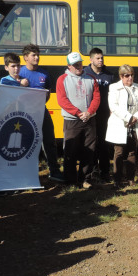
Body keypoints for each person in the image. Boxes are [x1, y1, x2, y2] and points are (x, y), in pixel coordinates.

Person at [19, 44, 63, 182]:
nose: (37, 57)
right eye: (34, 55)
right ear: (26, 57)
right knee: (26, 143)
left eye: (38, 55)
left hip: (41, 110)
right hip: (24, 113)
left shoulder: (44, 74)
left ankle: (54, 171)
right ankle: (26, 174)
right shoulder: (20, 73)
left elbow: (48, 93)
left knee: (50, 140)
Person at [56, 52, 100, 187]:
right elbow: (62, 100)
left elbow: (96, 98)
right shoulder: (62, 79)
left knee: (89, 150)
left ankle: (85, 179)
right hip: (72, 120)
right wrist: (78, 113)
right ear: (69, 66)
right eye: (75, 65)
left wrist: (89, 112)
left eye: (80, 64)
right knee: (70, 151)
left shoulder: (91, 78)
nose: (78, 67)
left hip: (89, 120)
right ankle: (70, 180)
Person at [106, 64, 138, 188]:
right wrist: (128, 117)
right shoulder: (113, 88)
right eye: (126, 76)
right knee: (118, 152)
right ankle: (117, 179)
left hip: (135, 125)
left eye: (131, 75)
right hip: (120, 125)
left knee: (132, 152)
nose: (130, 78)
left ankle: (130, 178)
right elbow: (113, 106)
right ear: (121, 76)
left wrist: (136, 117)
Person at [83, 47, 114, 182]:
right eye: (97, 58)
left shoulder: (109, 75)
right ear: (91, 60)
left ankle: (105, 172)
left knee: (104, 143)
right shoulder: (85, 73)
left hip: (104, 114)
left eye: (102, 58)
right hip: (90, 114)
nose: (101, 60)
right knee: (91, 144)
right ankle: (92, 171)